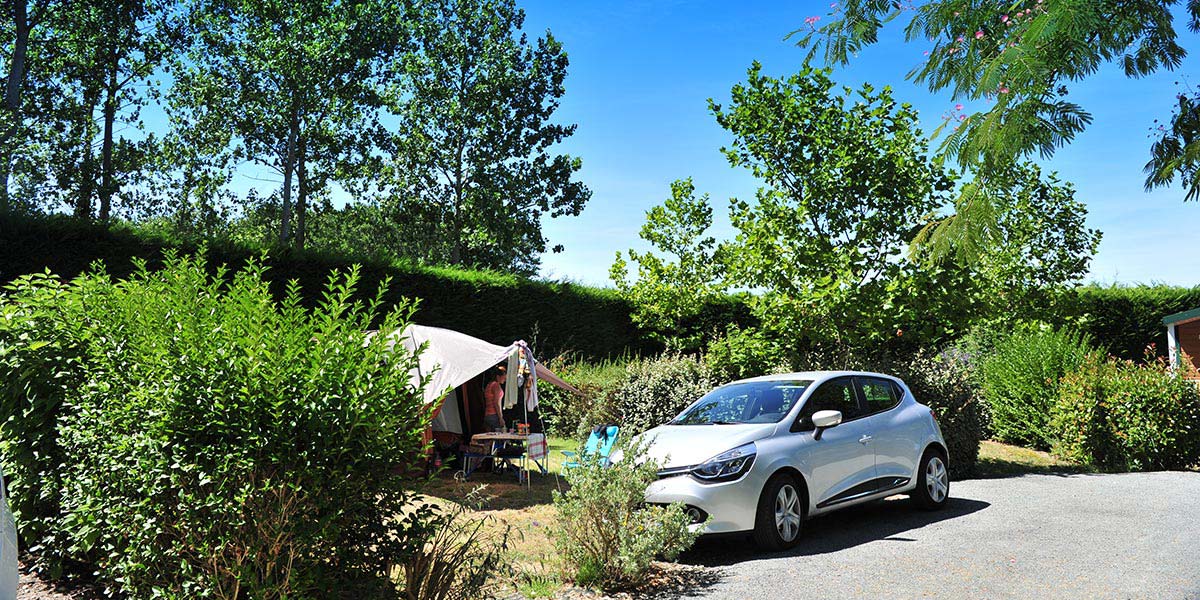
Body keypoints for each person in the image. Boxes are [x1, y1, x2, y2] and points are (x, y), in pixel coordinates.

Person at [483, 367, 507, 432]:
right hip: (494, 415)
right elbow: (496, 402)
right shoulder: (496, 385)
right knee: (500, 436)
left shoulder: (489, 385)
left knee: (490, 436)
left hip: (487, 415)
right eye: (504, 377)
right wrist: (500, 418)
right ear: (498, 376)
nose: (505, 379)